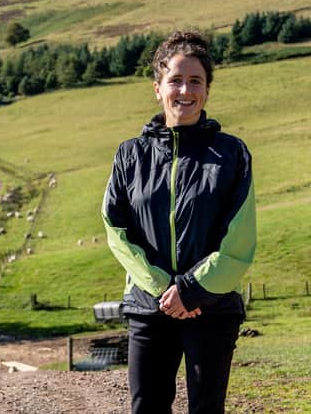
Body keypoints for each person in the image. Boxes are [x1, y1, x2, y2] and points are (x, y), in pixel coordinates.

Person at [101, 31, 256, 414]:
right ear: (158, 88)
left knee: (206, 408)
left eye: (195, 81)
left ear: (206, 89)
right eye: (175, 80)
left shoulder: (231, 153)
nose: (185, 90)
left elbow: (239, 239)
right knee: (147, 407)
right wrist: (165, 290)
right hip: (148, 305)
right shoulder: (129, 155)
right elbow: (116, 230)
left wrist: (191, 290)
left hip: (212, 307)